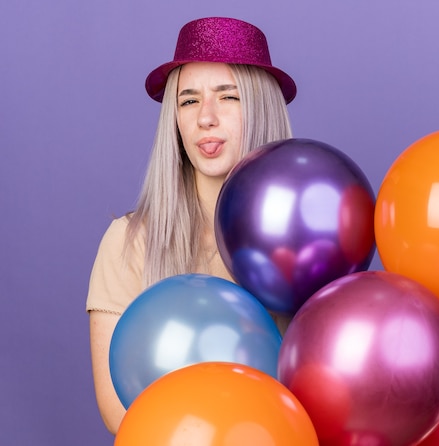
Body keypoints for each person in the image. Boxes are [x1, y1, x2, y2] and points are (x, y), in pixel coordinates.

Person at [86, 16, 297, 435]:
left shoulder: (310, 242)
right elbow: (119, 413)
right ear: (175, 120)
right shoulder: (128, 244)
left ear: (260, 107)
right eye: (188, 101)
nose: (206, 118)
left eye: (228, 97)